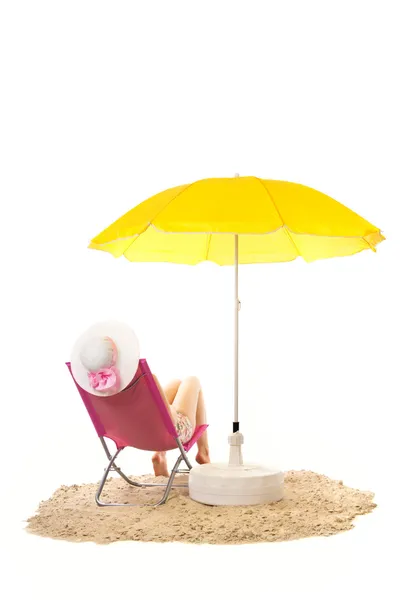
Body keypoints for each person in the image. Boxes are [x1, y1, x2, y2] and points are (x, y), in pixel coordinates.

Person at [152, 375, 210, 477]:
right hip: (174, 433)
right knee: (193, 380)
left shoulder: (116, 381)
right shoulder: (137, 371)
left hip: (136, 433)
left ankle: (160, 453)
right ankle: (203, 452)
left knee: (176, 383)